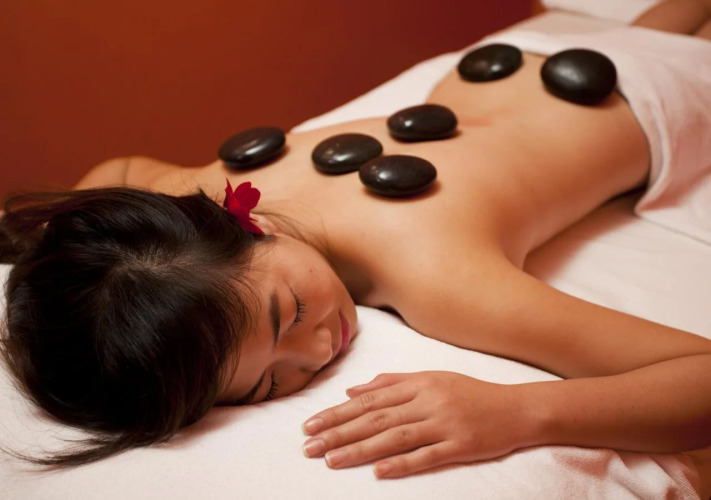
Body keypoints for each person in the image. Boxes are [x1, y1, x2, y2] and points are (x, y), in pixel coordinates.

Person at [1, 0, 710, 478]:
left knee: (663, 44)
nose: (316, 348)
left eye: (290, 313)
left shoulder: (435, 274)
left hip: (660, 101)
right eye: (268, 384)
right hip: (517, 62)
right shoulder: (196, 198)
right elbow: (120, 172)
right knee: (656, 28)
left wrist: (520, 412)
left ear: (256, 227)